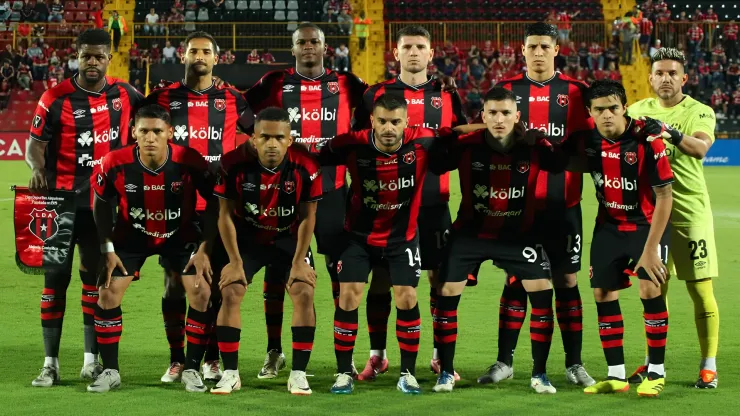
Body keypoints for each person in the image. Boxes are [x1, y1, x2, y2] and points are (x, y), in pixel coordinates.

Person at [243, 22, 367, 380]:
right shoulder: (273, 83)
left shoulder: (349, 84)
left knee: (340, 276)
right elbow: (240, 107)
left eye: (315, 42)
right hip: (284, 193)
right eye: (302, 42)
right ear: (292, 48)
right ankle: (274, 351)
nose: (309, 47)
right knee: (278, 270)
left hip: (333, 193)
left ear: (326, 48)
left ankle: (345, 354)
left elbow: (380, 105)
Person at [26, 29, 144, 388]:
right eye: (86, 56)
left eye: (99, 56)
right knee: (54, 281)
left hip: (102, 207)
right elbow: (34, 145)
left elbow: (159, 110)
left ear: (109, 57)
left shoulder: (125, 94)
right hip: (61, 205)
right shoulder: (55, 97)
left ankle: (91, 362)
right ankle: (50, 364)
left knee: (96, 281)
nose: (92, 62)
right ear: (76, 56)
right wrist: (37, 168)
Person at [430, 87, 568, 394]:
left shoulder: (531, 146)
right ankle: (446, 372)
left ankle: (539, 374)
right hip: (470, 233)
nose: (499, 119)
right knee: (446, 291)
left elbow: (560, 163)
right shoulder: (467, 145)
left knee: (543, 292)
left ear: (517, 116)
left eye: (506, 113)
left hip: (518, 235)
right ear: (483, 117)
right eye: (492, 113)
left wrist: (542, 139)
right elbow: (436, 164)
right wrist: (452, 134)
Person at [480, 22, 595, 388]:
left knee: (566, 280)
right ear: (523, 50)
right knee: (516, 280)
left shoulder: (577, 93)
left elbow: (587, 149)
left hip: (565, 206)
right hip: (518, 208)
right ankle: (504, 361)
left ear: (556, 49)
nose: (539, 52)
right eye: (532, 46)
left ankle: (574, 363)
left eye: (545, 46)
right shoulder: (507, 92)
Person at [352, 24, 467, 382]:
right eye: (407, 47)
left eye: (420, 46)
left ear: (431, 54)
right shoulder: (377, 94)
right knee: (382, 281)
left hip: (434, 202)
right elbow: (358, 142)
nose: (414, 52)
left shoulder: (447, 94)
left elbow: (458, 142)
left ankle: (437, 356)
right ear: (395, 53)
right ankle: (378, 355)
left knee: (437, 280)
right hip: (386, 207)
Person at [85, 104, 216, 393]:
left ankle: (191, 368)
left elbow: (216, 204)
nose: (150, 137)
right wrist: (107, 250)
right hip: (132, 236)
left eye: (157, 131)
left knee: (201, 291)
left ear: (170, 132)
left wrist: (205, 247)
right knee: (107, 292)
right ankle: (110, 370)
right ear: (134, 132)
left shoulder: (190, 161)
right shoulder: (114, 162)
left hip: (180, 236)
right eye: (144, 131)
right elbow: (101, 205)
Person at [144, 31, 250, 385]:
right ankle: (176, 359)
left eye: (206, 50)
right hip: (174, 206)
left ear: (216, 58)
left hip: (218, 207)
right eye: (193, 51)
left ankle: (211, 358)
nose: (199, 56)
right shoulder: (162, 97)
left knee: (214, 286)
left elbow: (260, 134)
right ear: (183, 56)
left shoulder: (233, 99)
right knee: (174, 284)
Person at [321, 95, 445, 395]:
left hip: (402, 238)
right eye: (382, 121)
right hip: (358, 238)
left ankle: (408, 373)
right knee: (349, 296)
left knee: (407, 296)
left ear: (406, 123)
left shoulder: (424, 141)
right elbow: (317, 156)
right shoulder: (351, 143)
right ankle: (343, 372)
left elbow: (462, 137)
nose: (388, 128)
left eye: (395, 121)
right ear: (372, 121)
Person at [210, 107, 322, 395]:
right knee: (231, 290)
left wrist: (299, 261)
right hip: (248, 240)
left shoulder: (307, 165)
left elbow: (309, 216)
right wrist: (235, 261)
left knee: (304, 291)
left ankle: (298, 373)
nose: (272, 144)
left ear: (290, 139)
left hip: (288, 238)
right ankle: (231, 373)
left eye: (278, 138)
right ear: (252, 139)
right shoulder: (232, 163)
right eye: (264, 137)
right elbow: (223, 215)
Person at [627, 48, 721, 389]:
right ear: (650, 78)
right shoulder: (637, 110)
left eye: (672, 73)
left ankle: (708, 364)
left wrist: (669, 131)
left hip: (690, 215)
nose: (665, 78)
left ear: (684, 78)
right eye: (659, 73)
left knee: (700, 290)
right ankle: (655, 364)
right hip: (651, 219)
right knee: (654, 292)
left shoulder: (699, 111)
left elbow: (700, 148)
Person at [572, 80, 673, 397]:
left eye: (613, 108)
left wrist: (652, 249)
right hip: (608, 226)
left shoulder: (647, 140)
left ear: (624, 108)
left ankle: (656, 370)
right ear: (589, 112)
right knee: (602, 293)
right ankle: (616, 375)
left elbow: (665, 196)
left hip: (646, 225)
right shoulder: (586, 141)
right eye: (599, 109)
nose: (606, 115)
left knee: (649, 286)